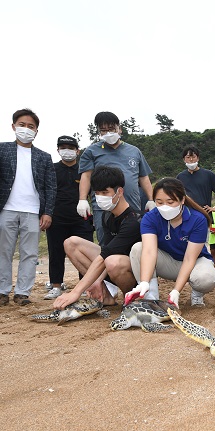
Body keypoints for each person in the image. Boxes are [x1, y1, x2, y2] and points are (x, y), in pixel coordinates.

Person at [53, 166, 142, 309]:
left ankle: (133, 298)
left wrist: (76, 292)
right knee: (71, 243)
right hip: (112, 266)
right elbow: (106, 251)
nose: (101, 197)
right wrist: (97, 281)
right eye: (97, 193)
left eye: (105, 192)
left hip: (135, 273)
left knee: (113, 262)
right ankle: (105, 295)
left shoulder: (133, 221)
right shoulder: (107, 215)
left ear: (119, 191)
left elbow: (106, 257)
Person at [128, 178, 215, 308]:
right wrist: (144, 282)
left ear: (182, 200)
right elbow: (149, 252)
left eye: (170, 202)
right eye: (159, 202)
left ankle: (197, 293)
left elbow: (189, 258)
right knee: (138, 248)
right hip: (169, 262)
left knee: (206, 279)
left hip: (194, 262)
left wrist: (176, 291)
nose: (165, 207)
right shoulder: (150, 218)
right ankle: (151, 297)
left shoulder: (197, 219)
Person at [0, 109, 56, 306]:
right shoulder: (2, 149)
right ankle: (2, 290)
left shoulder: (44, 157)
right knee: (3, 251)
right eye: (22, 125)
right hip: (6, 209)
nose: (26, 129)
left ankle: (22, 292)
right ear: (13, 126)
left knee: (30, 254)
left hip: (33, 211)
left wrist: (48, 212)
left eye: (30, 126)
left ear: (36, 131)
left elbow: (50, 187)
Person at [77, 111, 154, 244]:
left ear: (119, 129)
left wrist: (151, 199)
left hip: (132, 205)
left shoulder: (134, 151)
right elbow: (86, 176)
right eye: (103, 130)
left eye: (111, 129)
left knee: (135, 242)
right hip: (104, 206)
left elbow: (143, 177)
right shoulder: (91, 151)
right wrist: (82, 199)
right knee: (106, 243)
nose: (108, 133)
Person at [44, 136, 95, 300]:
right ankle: (56, 285)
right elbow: (45, 193)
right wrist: (46, 213)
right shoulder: (51, 169)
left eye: (71, 147)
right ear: (58, 150)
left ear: (77, 151)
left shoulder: (85, 170)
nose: (67, 150)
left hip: (81, 217)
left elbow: (94, 193)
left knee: (84, 252)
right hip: (56, 217)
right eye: (63, 147)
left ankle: (86, 285)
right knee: (56, 251)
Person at [176, 145, 215, 213]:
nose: (191, 160)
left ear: (198, 158)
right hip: (186, 213)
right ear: (184, 159)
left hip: (204, 213)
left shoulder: (208, 174)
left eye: (193, 157)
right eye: (188, 157)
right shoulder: (180, 176)